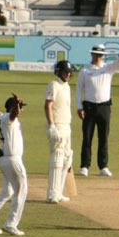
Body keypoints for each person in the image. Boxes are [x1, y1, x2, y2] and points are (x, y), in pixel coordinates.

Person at [76, 39, 119, 177]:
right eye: (95, 54)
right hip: (88, 107)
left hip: (104, 107)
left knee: (103, 138)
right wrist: (79, 107)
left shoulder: (108, 68)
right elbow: (78, 90)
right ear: (92, 54)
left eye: (99, 54)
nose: (97, 56)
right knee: (87, 138)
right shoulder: (85, 70)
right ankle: (84, 166)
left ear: (103, 55)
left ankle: (103, 166)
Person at [0, 94, 28, 236]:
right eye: (21, 107)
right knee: (22, 191)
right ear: (13, 108)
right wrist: (16, 104)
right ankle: (11, 224)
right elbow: (13, 113)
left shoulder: (3, 118)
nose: (22, 110)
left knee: (8, 192)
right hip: (13, 161)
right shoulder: (10, 118)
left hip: (4, 161)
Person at [45, 59, 74, 204]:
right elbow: (48, 105)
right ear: (58, 72)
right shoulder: (53, 84)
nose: (68, 75)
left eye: (69, 72)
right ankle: (52, 194)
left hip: (67, 125)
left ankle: (59, 192)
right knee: (57, 158)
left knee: (68, 159)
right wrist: (51, 125)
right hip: (57, 126)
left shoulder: (67, 86)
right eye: (65, 72)